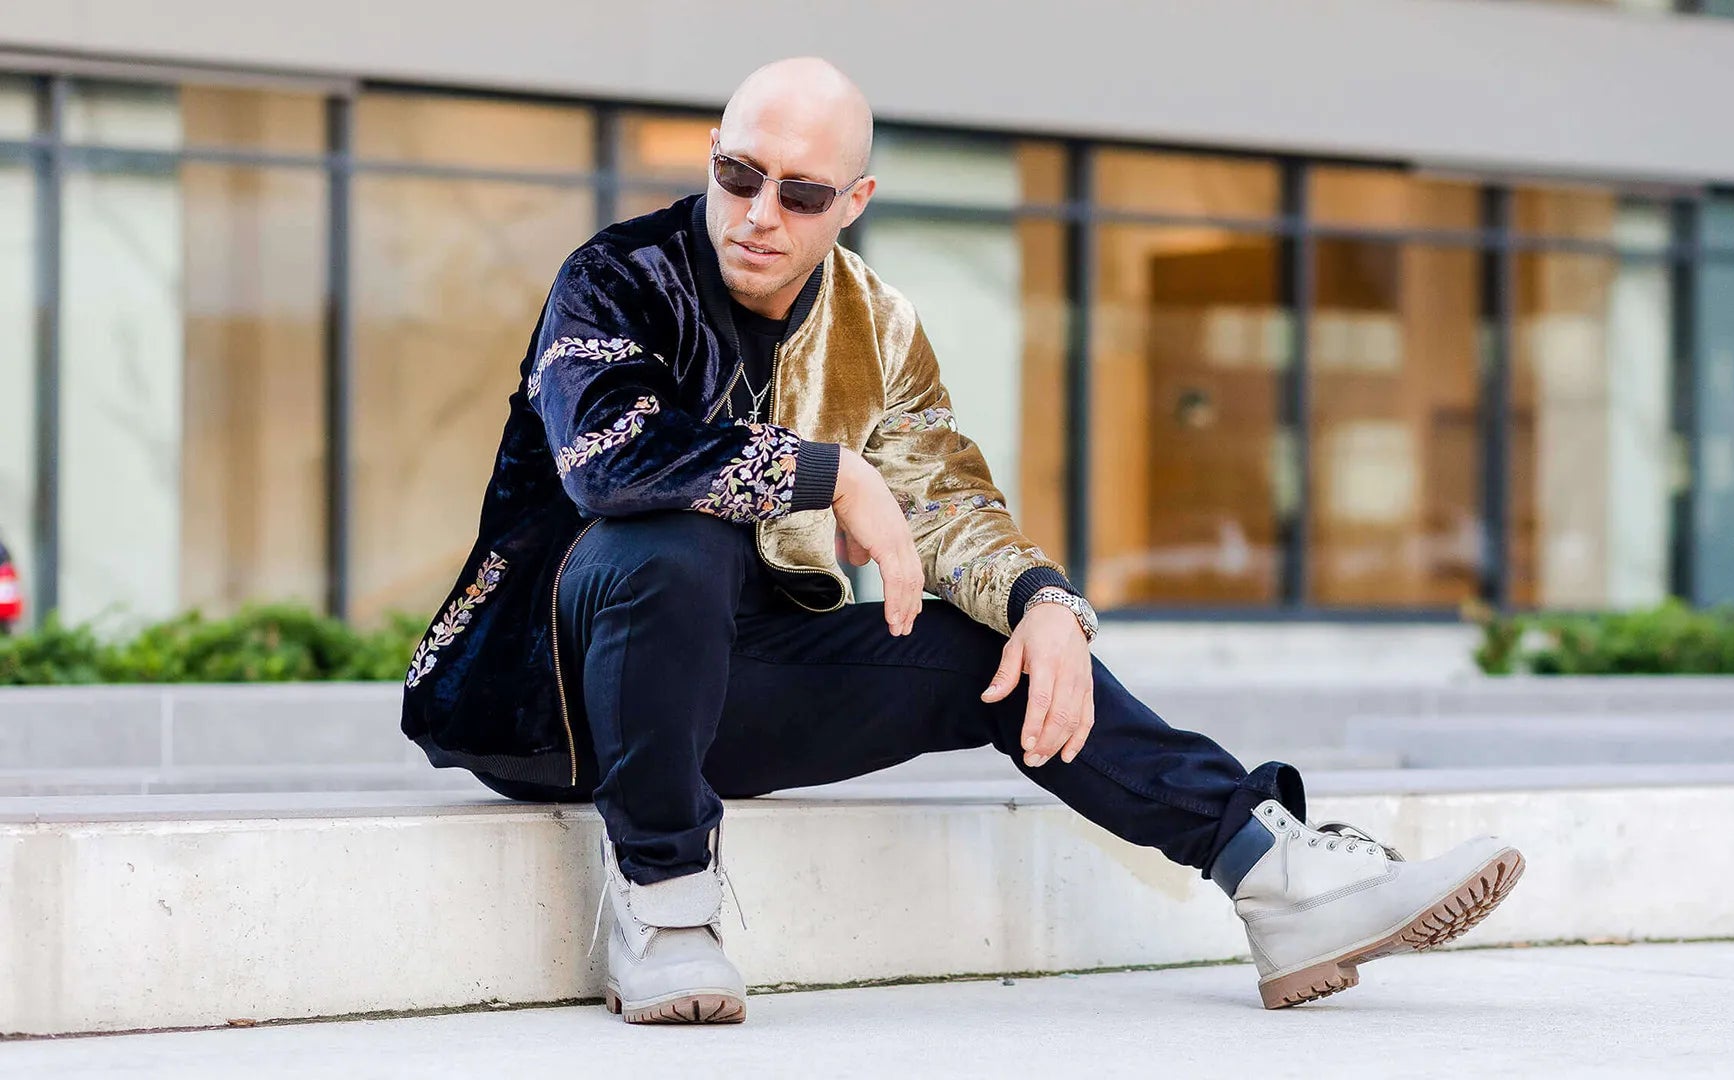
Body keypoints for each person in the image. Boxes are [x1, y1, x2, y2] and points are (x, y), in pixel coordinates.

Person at [398, 57, 1524, 1025]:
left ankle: (1269, 877)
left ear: (856, 199)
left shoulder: (875, 325)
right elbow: (605, 460)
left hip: (726, 691)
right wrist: (826, 475)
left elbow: (945, 501)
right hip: (546, 694)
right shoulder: (618, 275)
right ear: (711, 153)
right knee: (673, 542)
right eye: (739, 175)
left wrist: (1043, 601)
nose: (758, 214)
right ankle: (663, 906)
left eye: (801, 193)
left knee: (1006, 653)